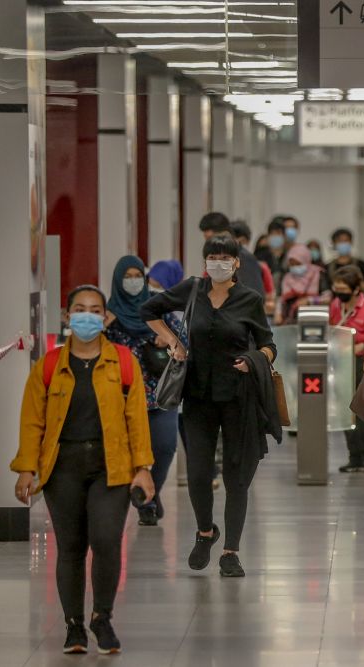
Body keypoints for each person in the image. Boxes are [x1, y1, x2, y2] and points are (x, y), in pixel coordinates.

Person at [12, 285, 154, 655]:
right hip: (63, 468)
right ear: (67, 317)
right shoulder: (48, 366)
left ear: (105, 318)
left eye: (94, 310)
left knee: (106, 541)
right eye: (79, 309)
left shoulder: (123, 362)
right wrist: (27, 468)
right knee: (71, 548)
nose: (87, 316)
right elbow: (32, 421)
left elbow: (137, 418)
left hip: (112, 466)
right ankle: (74, 626)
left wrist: (143, 468)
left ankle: (101, 617)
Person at [141, 234, 279, 579]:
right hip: (198, 397)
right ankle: (206, 532)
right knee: (200, 473)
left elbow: (269, 344)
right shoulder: (193, 290)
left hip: (238, 398)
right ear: (204, 261)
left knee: (236, 476)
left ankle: (231, 551)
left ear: (236, 263)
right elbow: (150, 309)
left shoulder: (249, 299)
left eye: (224, 257)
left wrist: (252, 359)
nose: (217, 262)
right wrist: (174, 341)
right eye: (211, 257)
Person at [103, 255, 185, 527]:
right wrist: (103, 323)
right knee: (127, 451)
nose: (134, 281)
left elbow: (184, 345)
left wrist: (167, 340)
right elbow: (86, 346)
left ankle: (150, 493)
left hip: (160, 393)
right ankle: (146, 502)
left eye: (138, 275)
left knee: (164, 446)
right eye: (127, 276)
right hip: (122, 397)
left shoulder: (157, 308)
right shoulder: (108, 314)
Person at [330, 265, 364, 473]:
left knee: (361, 411)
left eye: (343, 288)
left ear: (356, 288)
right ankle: (353, 456)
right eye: (337, 288)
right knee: (345, 410)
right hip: (341, 362)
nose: (340, 292)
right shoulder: (335, 306)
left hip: (361, 364)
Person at [199, 212, 266, 298]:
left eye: (211, 239)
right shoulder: (213, 260)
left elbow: (254, 296)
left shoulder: (245, 258)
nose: (210, 245)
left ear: (225, 234)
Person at [276, 243, 330, 325]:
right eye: (291, 264)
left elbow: (328, 298)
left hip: (314, 321)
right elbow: (280, 299)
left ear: (306, 260)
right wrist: (278, 314)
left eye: (298, 264)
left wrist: (309, 301)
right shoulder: (286, 278)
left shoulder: (318, 275)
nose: (295, 267)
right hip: (290, 322)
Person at [327, 227, 364, 292]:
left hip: (358, 301)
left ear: (351, 242)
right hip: (335, 301)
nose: (343, 244)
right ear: (334, 243)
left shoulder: (361, 264)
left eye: (346, 240)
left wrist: (353, 285)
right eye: (340, 241)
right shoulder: (328, 267)